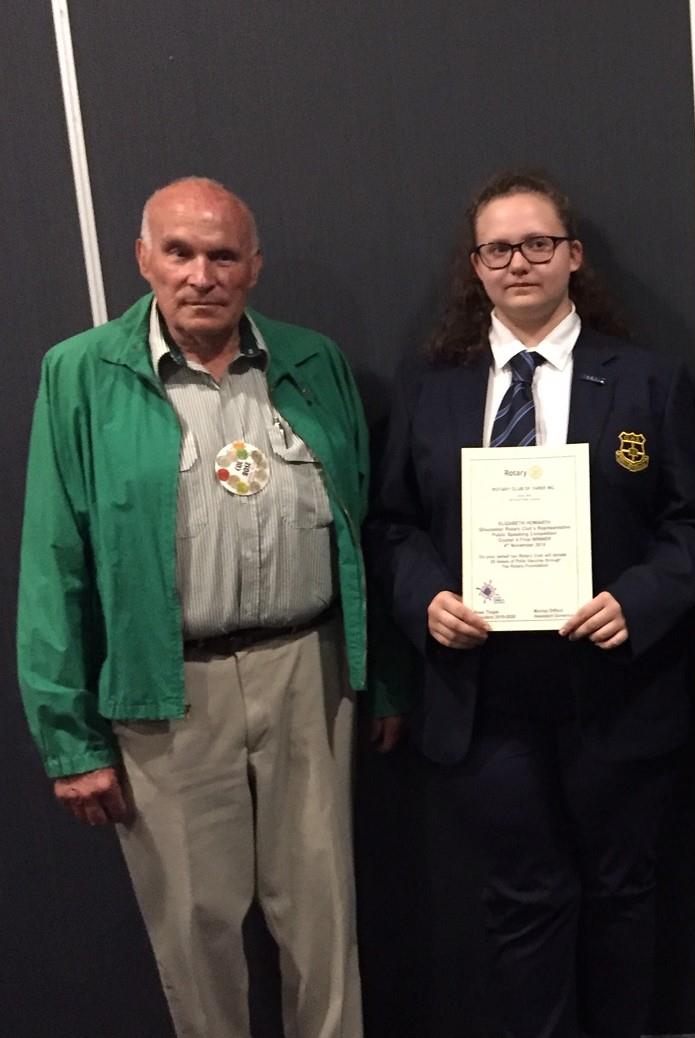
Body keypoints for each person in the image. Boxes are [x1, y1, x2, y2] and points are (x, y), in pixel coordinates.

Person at [16, 177, 404, 1037]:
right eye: (180, 253)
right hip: (168, 693)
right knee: (195, 931)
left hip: (309, 674)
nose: (202, 275)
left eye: (223, 255)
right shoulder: (81, 373)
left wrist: (384, 678)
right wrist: (69, 738)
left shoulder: (312, 361)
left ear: (254, 266)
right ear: (142, 258)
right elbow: (54, 560)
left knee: (324, 919)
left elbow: (365, 528)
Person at [367, 170, 695, 1038]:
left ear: (574, 256)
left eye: (537, 244)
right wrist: (426, 599)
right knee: (522, 898)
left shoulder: (649, 380)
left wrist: (637, 599)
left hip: (616, 685)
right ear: (475, 267)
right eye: (498, 249)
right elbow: (392, 524)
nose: (518, 262)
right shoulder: (429, 386)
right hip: (484, 694)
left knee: (623, 893)